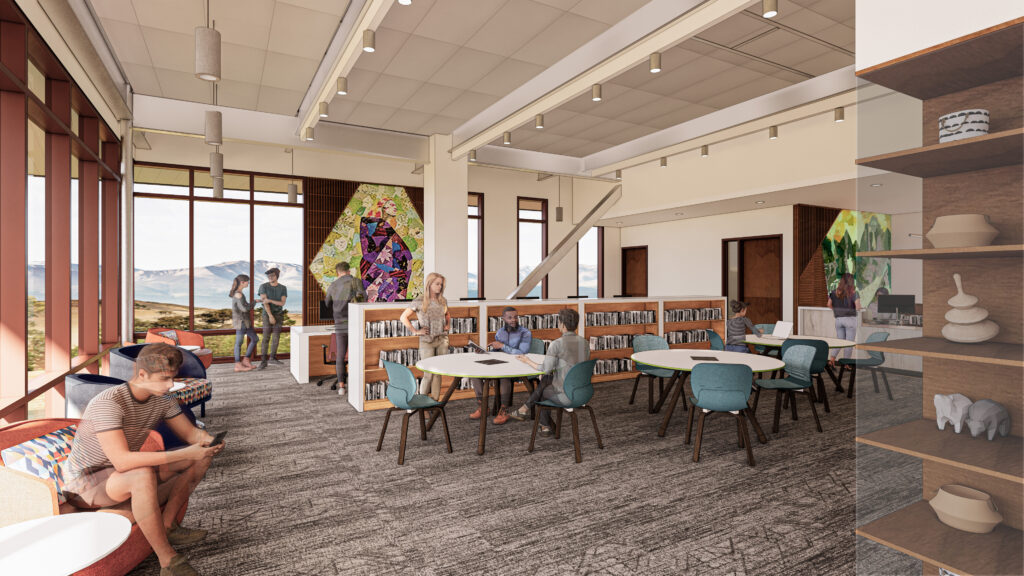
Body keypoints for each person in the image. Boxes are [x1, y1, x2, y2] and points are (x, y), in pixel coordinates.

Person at [63, 344, 225, 576]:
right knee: (142, 474)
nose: (170, 385)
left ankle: (169, 524)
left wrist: (209, 440)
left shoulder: (162, 399)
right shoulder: (109, 403)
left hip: (119, 477)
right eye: (164, 379)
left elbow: (191, 434)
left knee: (200, 459)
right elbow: (122, 461)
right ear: (142, 374)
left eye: (172, 378)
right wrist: (186, 452)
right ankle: (168, 561)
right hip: (85, 484)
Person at [507, 308, 589, 436]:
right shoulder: (584, 342)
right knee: (546, 380)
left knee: (544, 388)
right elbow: (573, 365)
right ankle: (523, 410)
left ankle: (544, 425)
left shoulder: (557, 344)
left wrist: (527, 360)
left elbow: (545, 369)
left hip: (566, 394)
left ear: (562, 324)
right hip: (582, 390)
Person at [468, 306, 532, 425]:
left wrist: (502, 346)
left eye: (515, 317)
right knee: (474, 373)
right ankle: (483, 406)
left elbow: (522, 352)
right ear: (503, 319)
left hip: (518, 365)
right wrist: (484, 352)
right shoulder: (500, 332)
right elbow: (497, 353)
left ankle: (504, 410)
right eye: (510, 318)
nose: (513, 320)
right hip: (501, 363)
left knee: (504, 375)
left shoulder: (525, 333)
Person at [324, 262, 375, 394]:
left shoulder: (333, 285)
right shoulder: (355, 281)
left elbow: (327, 303)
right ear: (348, 270)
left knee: (340, 355)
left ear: (338, 272)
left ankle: (342, 386)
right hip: (354, 323)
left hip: (340, 324)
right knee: (357, 353)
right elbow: (362, 298)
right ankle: (358, 383)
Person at [401, 272, 450, 397]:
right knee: (428, 373)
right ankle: (422, 403)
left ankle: (435, 402)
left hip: (442, 340)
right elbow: (403, 317)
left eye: (441, 284)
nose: (440, 287)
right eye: (437, 284)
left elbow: (447, 314)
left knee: (438, 372)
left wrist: (447, 324)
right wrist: (416, 331)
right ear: (429, 284)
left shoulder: (443, 300)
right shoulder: (419, 300)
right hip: (427, 341)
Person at [257, 267, 287, 370]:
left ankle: (273, 358)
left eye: (272, 275)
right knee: (266, 338)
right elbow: (265, 303)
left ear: (277, 276)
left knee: (276, 338)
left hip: (279, 315)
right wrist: (270, 316)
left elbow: (282, 303)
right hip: (267, 315)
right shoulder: (263, 286)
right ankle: (263, 362)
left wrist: (270, 300)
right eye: (268, 276)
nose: (270, 277)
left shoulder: (283, 288)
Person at [828, 272, 861, 363]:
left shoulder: (835, 292)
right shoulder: (854, 293)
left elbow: (829, 304)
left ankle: (832, 359)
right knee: (849, 343)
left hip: (838, 320)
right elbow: (858, 307)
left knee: (840, 341)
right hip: (850, 320)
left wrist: (837, 310)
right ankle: (846, 364)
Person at [229, 274, 258, 372]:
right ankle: (237, 365)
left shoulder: (240, 294)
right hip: (240, 322)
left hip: (246, 322)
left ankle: (246, 360)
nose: (248, 283)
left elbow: (245, 306)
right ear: (242, 282)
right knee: (239, 343)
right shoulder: (238, 294)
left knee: (255, 339)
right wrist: (254, 302)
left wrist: (254, 302)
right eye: (247, 282)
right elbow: (244, 309)